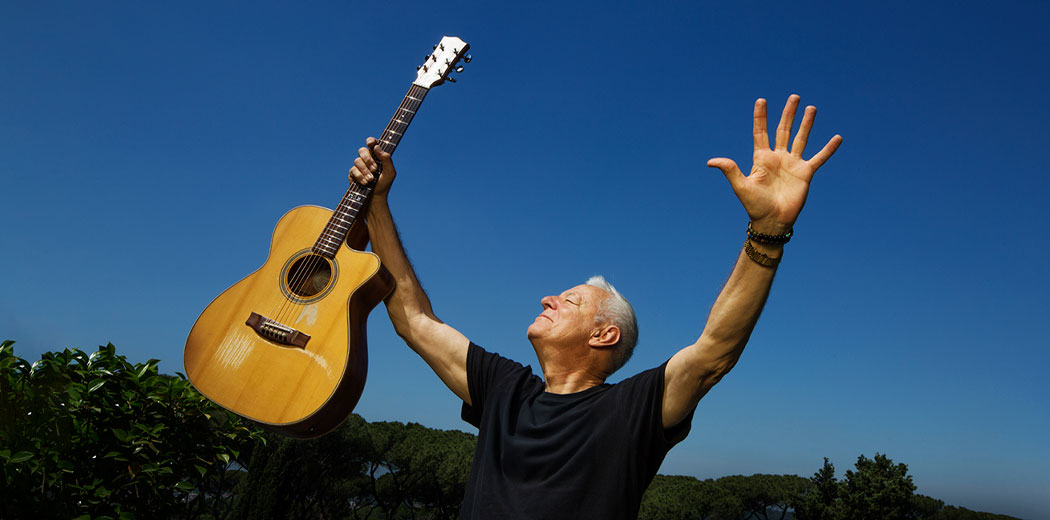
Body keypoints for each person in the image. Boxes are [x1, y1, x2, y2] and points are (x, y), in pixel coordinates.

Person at [348, 95, 842, 519]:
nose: (547, 298)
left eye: (570, 301)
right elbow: (413, 320)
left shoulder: (631, 411)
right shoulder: (504, 390)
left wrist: (769, 233)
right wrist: (378, 205)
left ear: (605, 335)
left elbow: (715, 351)